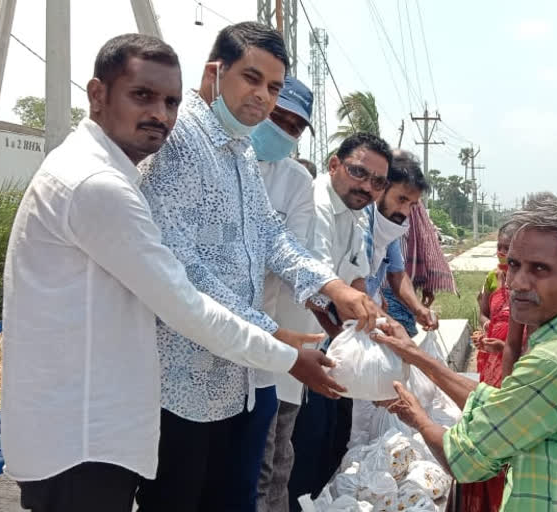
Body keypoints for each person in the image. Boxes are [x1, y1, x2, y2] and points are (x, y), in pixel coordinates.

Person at [1, 34, 341, 512]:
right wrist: (283, 352)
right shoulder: (98, 185)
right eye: (142, 96)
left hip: (101, 422)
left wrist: (326, 286)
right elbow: (185, 301)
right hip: (83, 433)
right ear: (98, 95)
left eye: (170, 102)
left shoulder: (122, 170)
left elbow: (265, 235)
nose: (160, 114)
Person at [136, 23, 378, 512]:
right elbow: (182, 267)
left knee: (238, 498)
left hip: (243, 376)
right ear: (214, 74)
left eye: (273, 87)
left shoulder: (240, 150)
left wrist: (333, 287)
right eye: (252, 78)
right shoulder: (180, 144)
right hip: (184, 380)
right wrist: (272, 336)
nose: (263, 98)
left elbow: (271, 238)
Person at [372, 193, 557, 511]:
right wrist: (415, 355)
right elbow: (501, 405)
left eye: (539, 269)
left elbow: (464, 460)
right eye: (513, 265)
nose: (517, 282)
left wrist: (416, 414)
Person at [289, 132, 392, 510]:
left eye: (378, 182)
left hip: (327, 348)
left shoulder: (356, 213)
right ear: (334, 165)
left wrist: (375, 332)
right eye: (359, 173)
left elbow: (357, 280)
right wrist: (350, 341)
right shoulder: (316, 206)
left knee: (332, 442)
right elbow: (316, 289)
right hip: (299, 352)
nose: (367, 186)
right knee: (301, 453)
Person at [251, 75, 317, 512]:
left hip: (272, 339)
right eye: (279, 117)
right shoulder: (221, 159)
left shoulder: (294, 181)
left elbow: (290, 253)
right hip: (210, 337)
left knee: (270, 464)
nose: (283, 130)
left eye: (294, 126)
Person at [462, 222, 518, 512]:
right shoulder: (492, 279)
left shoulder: (525, 285)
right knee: (488, 415)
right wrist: (486, 331)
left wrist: (506, 345)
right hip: (490, 356)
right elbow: (484, 312)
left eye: (508, 249)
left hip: (513, 357)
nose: (502, 253)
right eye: (499, 247)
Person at [364, 150, 437, 332]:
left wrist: (418, 308)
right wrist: (392, 325)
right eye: (401, 199)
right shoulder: (358, 222)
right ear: (380, 188)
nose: (404, 212)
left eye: (411, 204)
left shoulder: (389, 228)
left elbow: (397, 274)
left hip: (368, 309)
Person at [380, 202, 456, 337]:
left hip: (404, 288)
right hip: (379, 292)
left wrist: (422, 296)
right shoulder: (375, 219)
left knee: (401, 338)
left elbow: (424, 246)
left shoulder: (415, 212)